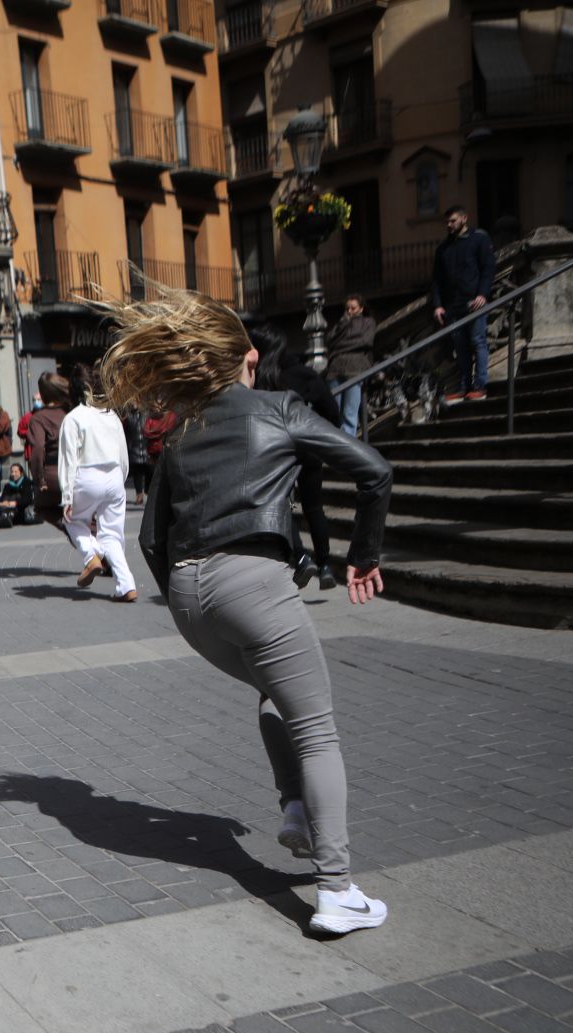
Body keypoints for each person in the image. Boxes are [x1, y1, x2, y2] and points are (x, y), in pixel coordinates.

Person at [105, 287, 394, 937]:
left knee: (275, 689)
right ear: (249, 360)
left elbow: (151, 540)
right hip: (254, 584)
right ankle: (337, 889)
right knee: (317, 728)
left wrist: (191, 595)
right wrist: (361, 556)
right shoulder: (279, 408)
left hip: (187, 594)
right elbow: (375, 470)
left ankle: (293, 806)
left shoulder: (181, 435)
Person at [251, 324, 342, 592]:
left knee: (281, 506)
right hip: (309, 449)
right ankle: (325, 564)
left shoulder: (262, 379)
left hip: (278, 452)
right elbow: (332, 412)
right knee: (315, 508)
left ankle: (301, 557)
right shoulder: (305, 375)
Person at [58, 389, 137, 602]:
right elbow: (123, 453)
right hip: (114, 475)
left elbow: (68, 459)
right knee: (112, 534)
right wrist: (120, 479)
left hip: (87, 475)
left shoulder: (73, 417)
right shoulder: (110, 415)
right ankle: (126, 584)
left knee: (73, 521)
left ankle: (90, 555)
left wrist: (67, 496)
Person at [431, 205, 495, 405]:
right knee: (461, 348)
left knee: (478, 341)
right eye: (447, 222)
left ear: (464, 219)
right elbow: (436, 280)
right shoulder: (443, 249)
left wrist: (483, 294)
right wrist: (438, 305)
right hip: (453, 306)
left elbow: (488, 268)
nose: (449, 225)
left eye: (453, 220)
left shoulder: (479, 239)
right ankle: (464, 386)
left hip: (473, 302)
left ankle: (480, 386)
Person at [25, 374, 83, 557]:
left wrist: (38, 477)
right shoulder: (73, 411)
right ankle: (94, 541)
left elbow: (38, 449)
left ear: (43, 394)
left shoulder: (39, 418)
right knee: (83, 513)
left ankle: (83, 540)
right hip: (80, 471)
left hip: (53, 473)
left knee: (43, 507)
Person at [326, 295, 376, 436]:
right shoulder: (342, 323)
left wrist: (339, 347)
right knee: (334, 412)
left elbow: (366, 341)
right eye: (347, 308)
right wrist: (342, 324)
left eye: (353, 308)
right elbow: (329, 341)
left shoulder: (368, 322)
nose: (349, 311)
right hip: (335, 369)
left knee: (349, 413)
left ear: (361, 308)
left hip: (355, 369)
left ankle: (347, 447)